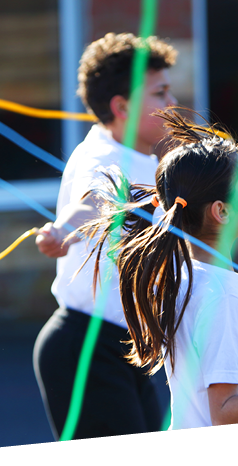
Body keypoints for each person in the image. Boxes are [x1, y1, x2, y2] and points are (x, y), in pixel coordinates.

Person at [79, 108, 238, 429]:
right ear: (222, 212)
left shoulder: (184, 277)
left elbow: (205, 362)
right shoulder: (221, 297)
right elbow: (225, 413)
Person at [32, 32, 181, 439]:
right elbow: (97, 201)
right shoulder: (103, 159)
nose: (172, 104)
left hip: (130, 347)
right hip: (86, 347)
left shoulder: (144, 157)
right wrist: (64, 230)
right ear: (121, 107)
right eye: (160, 92)